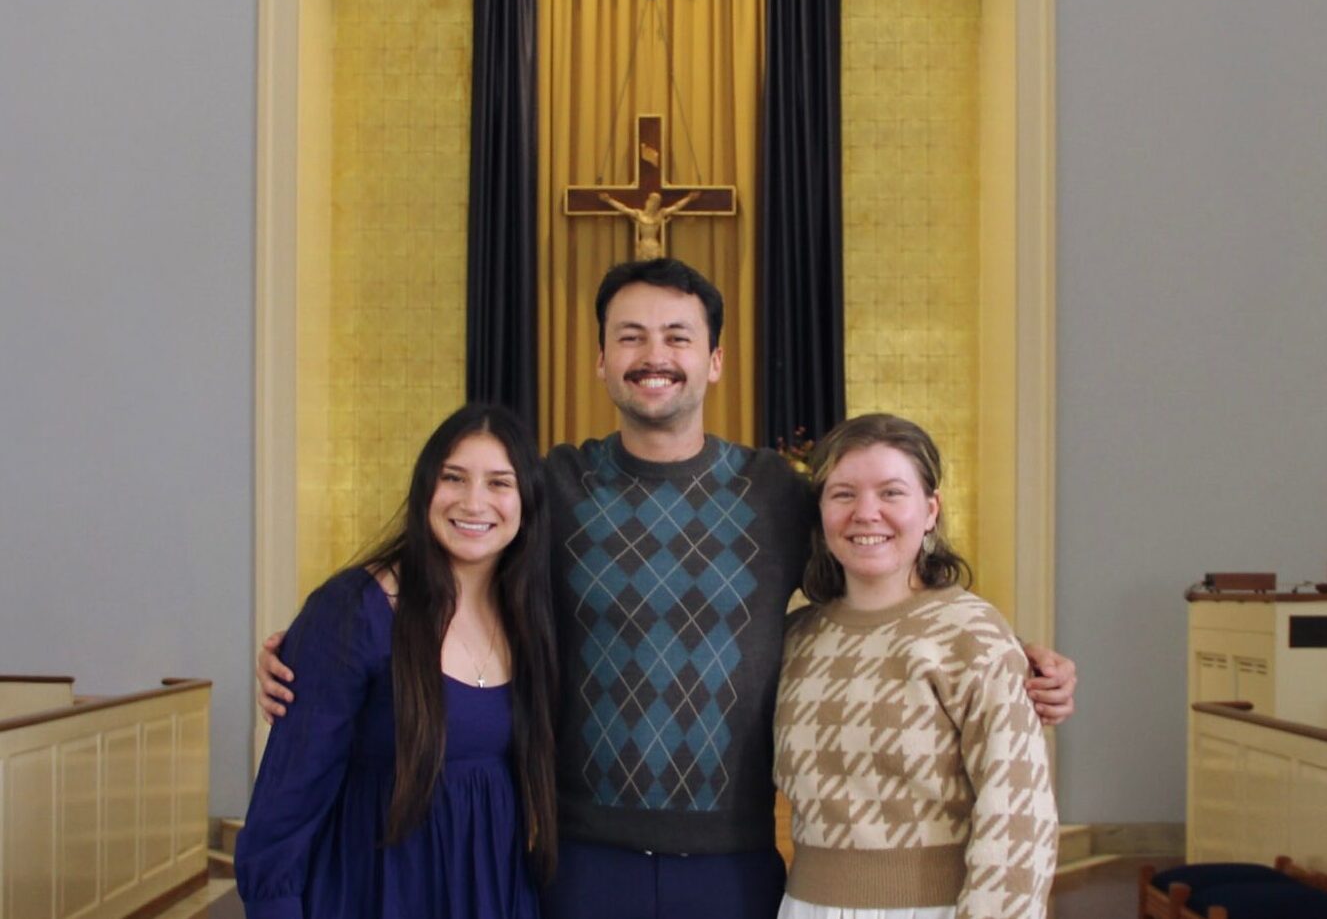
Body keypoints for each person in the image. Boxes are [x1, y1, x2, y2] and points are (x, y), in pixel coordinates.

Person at [258, 259, 1077, 919]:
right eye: (631, 337)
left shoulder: (776, 493)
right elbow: (458, 565)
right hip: (581, 859)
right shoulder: (552, 489)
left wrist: (1010, 660)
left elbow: (877, 581)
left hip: (732, 864)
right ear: (601, 360)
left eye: (677, 337)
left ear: (713, 360)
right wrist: (324, 643)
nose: (654, 355)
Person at [236, 403, 558, 919]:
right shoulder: (353, 610)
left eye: (499, 483)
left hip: (492, 892)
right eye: (454, 478)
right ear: (425, 487)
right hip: (376, 891)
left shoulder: (530, 614)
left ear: (527, 501)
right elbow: (285, 806)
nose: (474, 502)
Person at [774, 413, 1058, 919]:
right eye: (843, 494)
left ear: (929, 511)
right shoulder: (796, 638)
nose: (866, 513)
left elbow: (1019, 814)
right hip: (805, 907)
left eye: (891, 493)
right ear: (820, 513)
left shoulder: (973, 635)